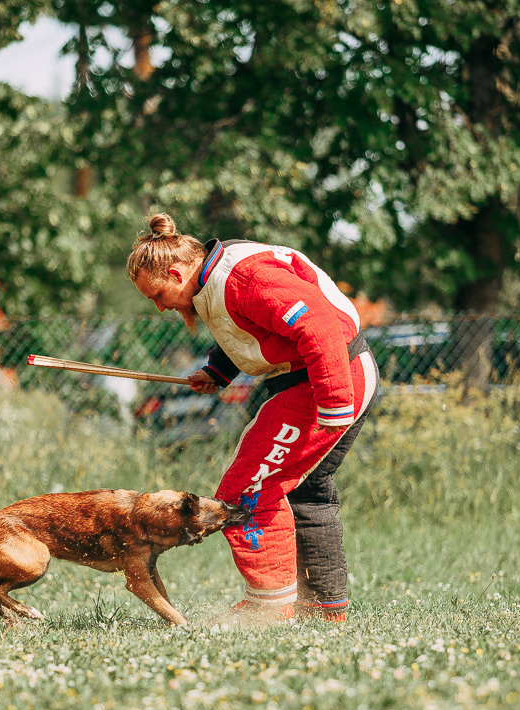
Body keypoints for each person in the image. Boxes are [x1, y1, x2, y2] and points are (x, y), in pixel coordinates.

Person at [126, 213, 379, 623]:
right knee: (306, 491)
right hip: (314, 376)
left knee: (246, 492)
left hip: (328, 377)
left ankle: (270, 605)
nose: (159, 306)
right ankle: (322, 610)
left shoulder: (244, 276)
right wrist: (218, 372)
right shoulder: (214, 277)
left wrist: (335, 401)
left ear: (175, 272)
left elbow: (318, 326)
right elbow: (251, 327)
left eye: (157, 295)